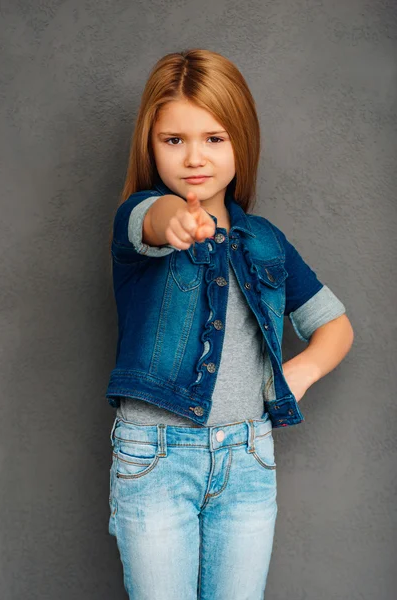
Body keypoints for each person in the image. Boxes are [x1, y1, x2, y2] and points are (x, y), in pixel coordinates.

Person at [106, 48, 354, 600]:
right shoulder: (138, 218)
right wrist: (177, 222)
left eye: (214, 138)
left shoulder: (266, 240)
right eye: (174, 140)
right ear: (150, 145)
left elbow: (335, 325)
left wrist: (299, 373)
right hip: (156, 459)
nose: (195, 157)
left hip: (249, 461)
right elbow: (153, 219)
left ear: (242, 140)